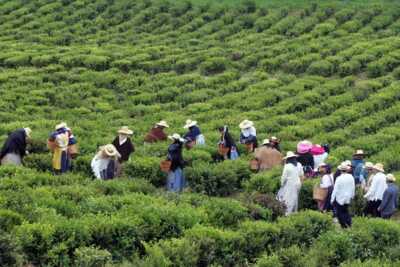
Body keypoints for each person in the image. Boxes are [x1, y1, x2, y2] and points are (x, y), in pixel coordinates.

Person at [277, 151, 304, 216]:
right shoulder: (299, 164)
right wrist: (301, 184)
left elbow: (283, 177)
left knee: (288, 198)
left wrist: (281, 184)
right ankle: (294, 212)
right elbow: (302, 175)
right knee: (295, 198)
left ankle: (287, 213)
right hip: (298, 183)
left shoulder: (287, 166)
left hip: (289, 184)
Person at [331, 162, 355, 228]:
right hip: (348, 197)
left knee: (339, 212)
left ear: (340, 170)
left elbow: (335, 189)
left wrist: (332, 199)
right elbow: (353, 187)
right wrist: (352, 195)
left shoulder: (339, 178)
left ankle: (343, 225)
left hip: (340, 197)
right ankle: (348, 224)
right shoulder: (351, 177)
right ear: (347, 170)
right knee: (346, 210)